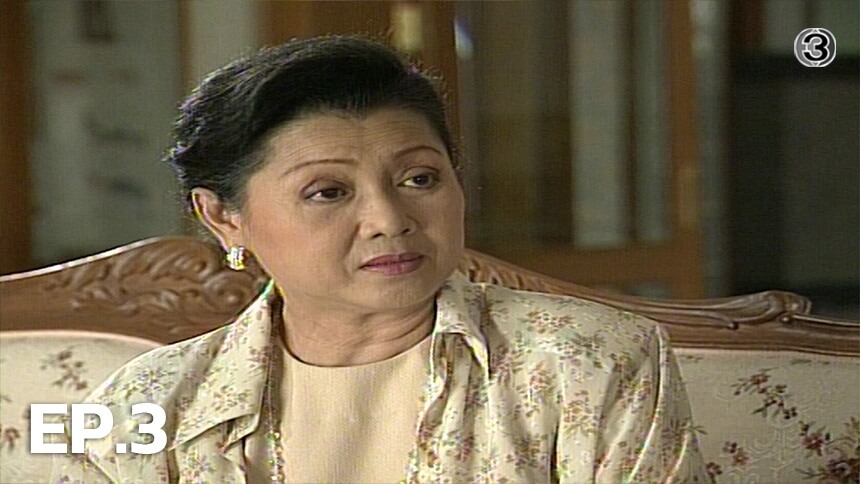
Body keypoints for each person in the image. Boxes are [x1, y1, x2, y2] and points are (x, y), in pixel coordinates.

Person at [53, 35, 710, 483]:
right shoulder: (144, 406)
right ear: (224, 217)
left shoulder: (590, 364)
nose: (390, 220)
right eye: (328, 192)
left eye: (419, 179)